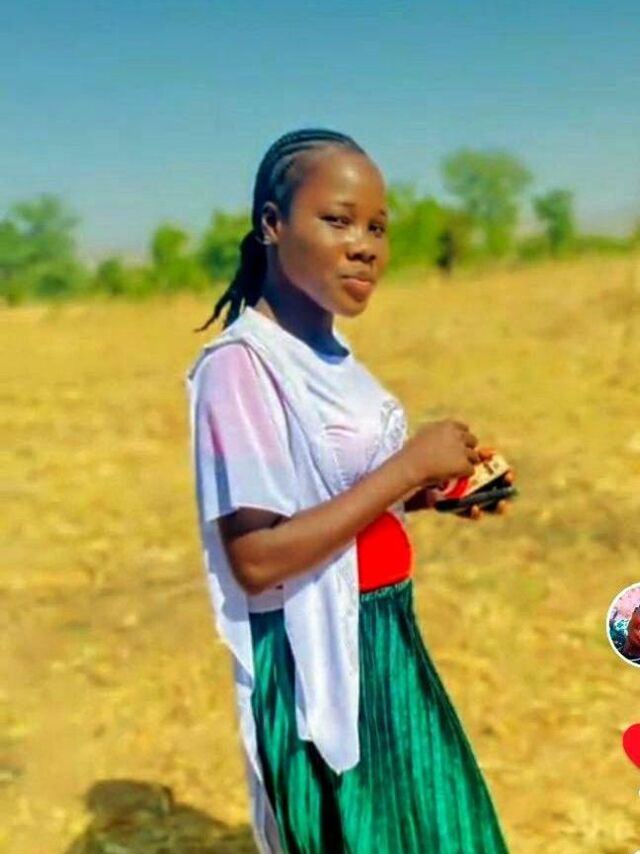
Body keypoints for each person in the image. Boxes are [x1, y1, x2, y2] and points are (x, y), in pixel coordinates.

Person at [185, 128, 511, 853]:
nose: (364, 246)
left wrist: (430, 491)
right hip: (320, 660)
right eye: (338, 220)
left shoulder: (333, 357)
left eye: (377, 228)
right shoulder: (241, 367)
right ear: (272, 224)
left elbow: (332, 496)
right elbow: (258, 559)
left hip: (386, 639)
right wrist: (405, 468)